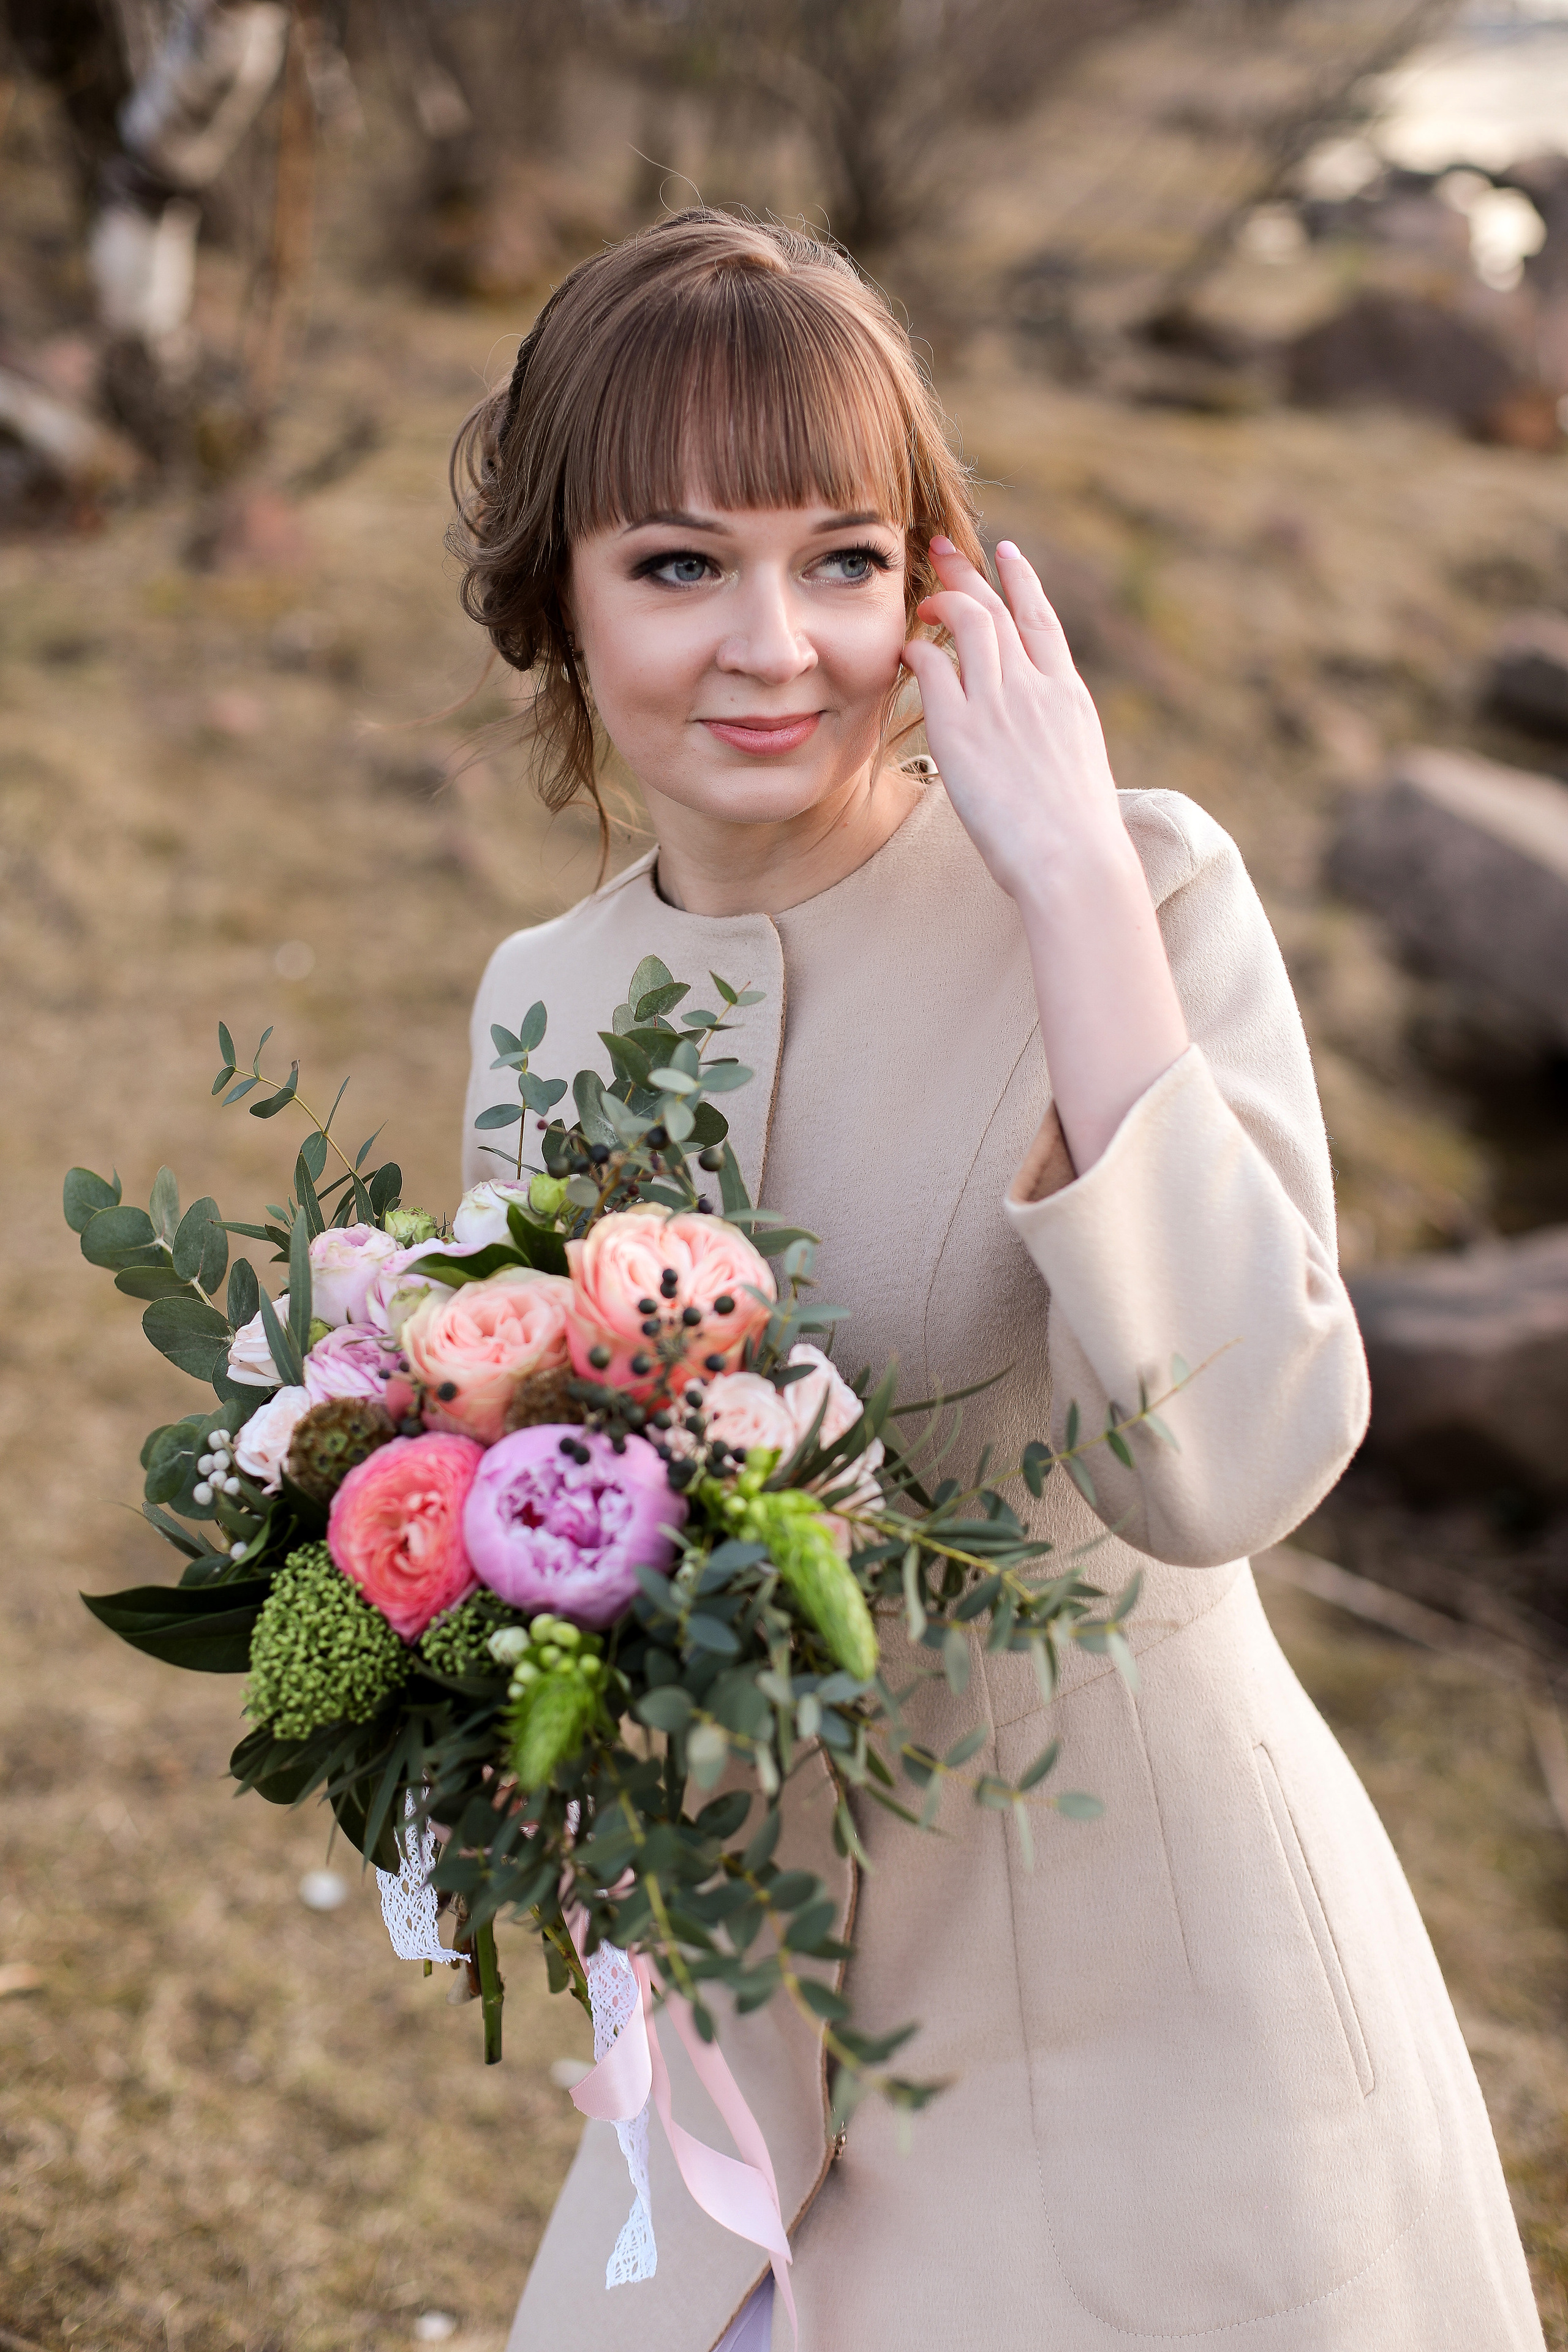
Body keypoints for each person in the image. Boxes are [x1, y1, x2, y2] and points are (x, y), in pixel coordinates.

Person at [450, 210, 1543, 2352]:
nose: (776, 646)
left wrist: (1071, 898)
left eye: (844, 560)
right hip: (747, 2022)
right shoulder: (545, 1003)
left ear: (938, 585)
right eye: (680, 565)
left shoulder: (1135, 891)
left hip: (1143, 2016)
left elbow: (1232, 1469)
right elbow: (555, 1511)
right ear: (559, 599)